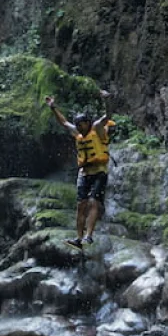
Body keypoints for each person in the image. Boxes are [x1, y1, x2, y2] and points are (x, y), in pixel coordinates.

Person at [44, 89, 114, 250]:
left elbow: (108, 116)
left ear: (88, 123)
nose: (80, 128)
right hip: (84, 173)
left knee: (94, 202)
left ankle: (89, 236)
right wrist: (53, 107)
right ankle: (78, 238)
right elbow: (63, 123)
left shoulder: (97, 128)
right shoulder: (78, 134)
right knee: (81, 205)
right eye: (78, 125)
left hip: (99, 172)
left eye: (82, 125)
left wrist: (107, 100)